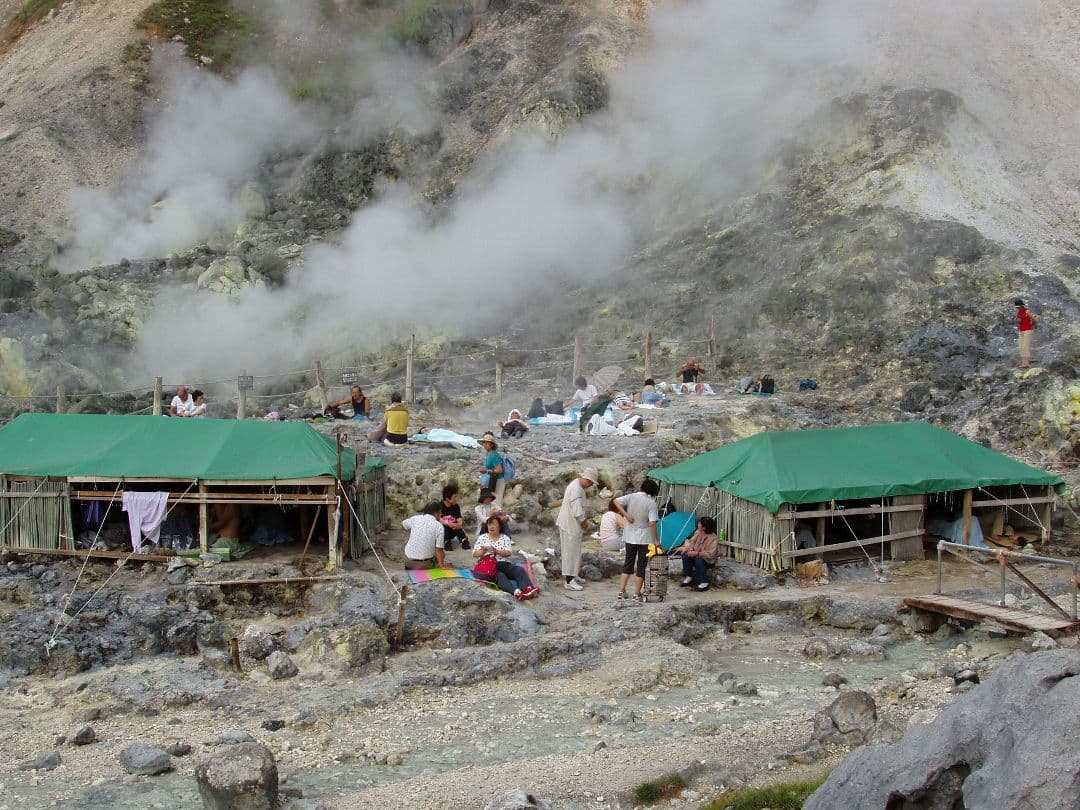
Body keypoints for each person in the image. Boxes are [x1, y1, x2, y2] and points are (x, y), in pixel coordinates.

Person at [473, 515, 539, 600]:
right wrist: (483, 551)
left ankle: (528, 589)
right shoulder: (482, 537)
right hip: (490, 566)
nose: (491, 526)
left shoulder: (505, 538)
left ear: (500, 526)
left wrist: (496, 550)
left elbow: (508, 553)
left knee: (519, 570)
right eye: (489, 524)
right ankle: (516, 592)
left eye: (494, 524)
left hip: (505, 564)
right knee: (500, 576)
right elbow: (475, 553)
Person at [615, 479, 660, 602]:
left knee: (628, 563)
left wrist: (625, 514)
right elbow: (652, 523)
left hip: (629, 535)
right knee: (641, 565)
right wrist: (656, 540)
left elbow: (615, 501)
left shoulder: (631, 496)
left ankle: (621, 591)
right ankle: (636, 594)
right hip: (645, 538)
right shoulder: (651, 503)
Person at [556, 468, 598, 590]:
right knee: (570, 552)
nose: (590, 485)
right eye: (590, 482)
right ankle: (569, 581)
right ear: (586, 479)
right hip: (570, 524)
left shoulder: (578, 486)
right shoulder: (575, 489)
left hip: (572, 524)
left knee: (575, 551)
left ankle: (573, 575)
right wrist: (584, 522)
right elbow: (577, 511)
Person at [678, 516, 719, 591]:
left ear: (704, 528)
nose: (698, 524)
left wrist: (697, 553)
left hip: (708, 560)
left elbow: (711, 554)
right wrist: (690, 548)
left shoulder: (713, 538)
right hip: (696, 555)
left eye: (700, 523)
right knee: (685, 554)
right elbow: (692, 541)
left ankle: (704, 582)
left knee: (698, 559)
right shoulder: (698, 532)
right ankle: (688, 577)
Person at [402, 502, 445, 569]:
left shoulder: (415, 518)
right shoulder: (439, 526)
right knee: (442, 553)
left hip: (408, 562)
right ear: (436, 513)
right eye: (440, 513)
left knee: (406, 542)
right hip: (425, 565)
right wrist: (442, 566)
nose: (441, 514)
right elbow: (439, 550)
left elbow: (403, 524)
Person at [479, 432, 507, 507]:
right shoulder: (488, 454)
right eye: (484, 442)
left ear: (491, 444)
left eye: (486, 442)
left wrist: (486, 471)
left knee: (497, 502)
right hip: (491, 480)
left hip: (497, 481)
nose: (484, 444)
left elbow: (500, 470)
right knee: (492, 502)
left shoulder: (493, 455)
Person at [441, 482, 469, 550]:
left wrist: (459, 524)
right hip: (443, 531)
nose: (456, 499)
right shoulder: (439, 506)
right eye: (455, 497)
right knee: (445, 527)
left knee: (457, 525)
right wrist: (448, 524)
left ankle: (464, 540)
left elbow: (458, 517)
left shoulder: (456, 506)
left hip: (453, 529)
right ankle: (446, 542)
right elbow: (438, 519)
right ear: (447, 498)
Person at [1014, 298, 1037, 368]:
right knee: (1021, 346)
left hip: (1027, 330)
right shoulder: (1018, 312)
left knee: (1025, 346)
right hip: (1021, 330)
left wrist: (1032, 323)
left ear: (1021, 306)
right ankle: (1023, 362)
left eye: (1018, 307)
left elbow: (1034, 319)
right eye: (1017, 307)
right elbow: (1019, 321)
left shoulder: (1027, 311)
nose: (1018, 308)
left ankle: (1026, 363)